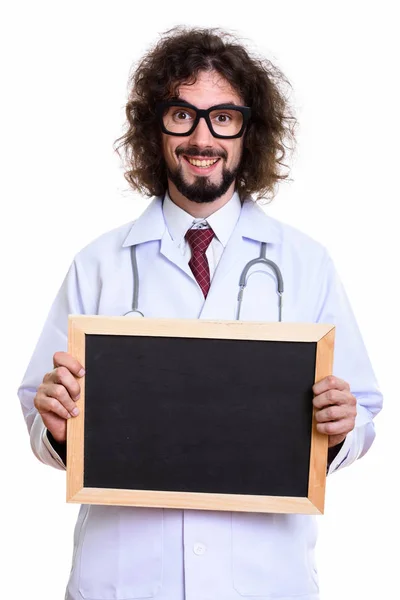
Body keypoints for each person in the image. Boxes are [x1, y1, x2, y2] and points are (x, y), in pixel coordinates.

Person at [18, 26, 382, 600]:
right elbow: (37, 416)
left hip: (265, 582)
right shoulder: (96, 265)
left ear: (248, 131)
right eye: (182, 115)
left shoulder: (307, 263)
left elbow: (362, 412)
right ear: (155, 128)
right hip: (126, 581)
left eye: (223, 117)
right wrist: (57, 429)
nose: (202, 136)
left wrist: (342, 428)